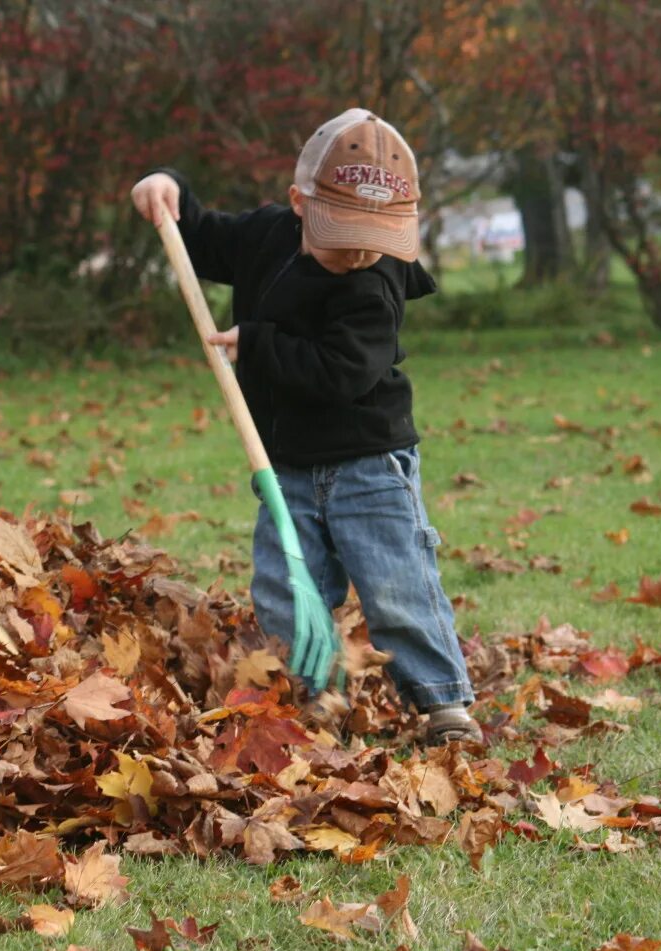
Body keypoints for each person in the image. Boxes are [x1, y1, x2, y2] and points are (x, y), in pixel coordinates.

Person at [130, 108, 479, 745]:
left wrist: (258, 345)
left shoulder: (375, 282)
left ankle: (442, 704)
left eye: (374, 237)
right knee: (286, 592)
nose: (358, 252)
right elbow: (202, 237)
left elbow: (340, 373)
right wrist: (167, 187)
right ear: (299, 203)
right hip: (286, 465)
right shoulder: (268, 234)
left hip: (369, 465)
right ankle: (311, 696)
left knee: (397, 588)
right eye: (342, 234)